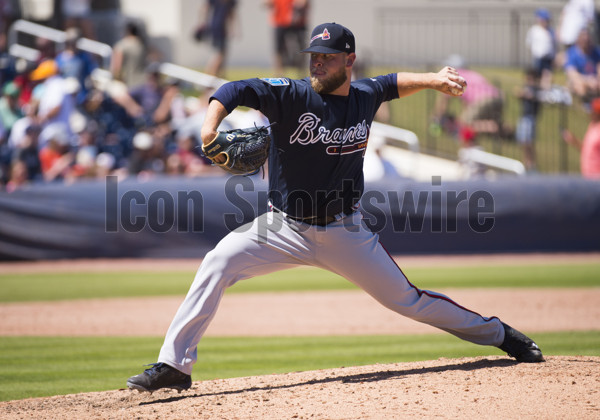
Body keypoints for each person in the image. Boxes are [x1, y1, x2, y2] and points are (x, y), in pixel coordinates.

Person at [127, 22, 544, 393]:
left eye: (327, 58)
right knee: (217, 261)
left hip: (345, 232)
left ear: (350, 60)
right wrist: (209, 125)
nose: (317, 64)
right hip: (283, 228)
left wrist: (435, 80)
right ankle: (174, 365)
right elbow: (235, 89)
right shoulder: (291, 95)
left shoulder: (364, 96)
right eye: (314, 57)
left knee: (409, 301)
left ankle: (500, 335)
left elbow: (395, 81)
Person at [433, 55, 506, 145]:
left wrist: (437, 117)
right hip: (498, 96)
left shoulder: (454, 76)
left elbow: (444, 101)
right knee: (484, 119)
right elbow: (466, 102)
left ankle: (492, 127)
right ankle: (502, 130)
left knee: (464, 124)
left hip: (483, 99)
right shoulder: (471, 73)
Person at [264, 0, 310, 76]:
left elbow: (303, 3)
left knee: (302, 48)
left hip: (298, 22)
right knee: (278, 49)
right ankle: (279, 73)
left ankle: (302, 72)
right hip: (280, 21)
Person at [195, 0, 238, 77]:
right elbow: (204, 9)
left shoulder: (231, 2)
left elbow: (231, 14)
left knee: (222, 54)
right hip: (215, 29)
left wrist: (232, 29)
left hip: (222, 30)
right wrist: (201, 24)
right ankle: (209, 75)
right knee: (219, 55)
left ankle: (217, 75)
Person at [562, 97, 600, 179]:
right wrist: (573, 140)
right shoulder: (592, 126)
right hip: (587, 177)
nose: (590, 113)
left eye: (593, 111)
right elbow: (586, 149)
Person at [515, 68, 542, 172]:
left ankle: (532, 165)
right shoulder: (527, 88)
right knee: (523, 142)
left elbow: (529, 95)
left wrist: (525, 94)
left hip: (530, 118)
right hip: (524, 117)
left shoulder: (536, 89)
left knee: (529, 142)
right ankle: (526, 164)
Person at [564, 27, 600, 103]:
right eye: (583, 40)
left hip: (594, 80)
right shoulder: (572, 52)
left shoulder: (596, 52)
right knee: (580, 86)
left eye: (587, 40)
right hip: (580, 80)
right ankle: (585, 107)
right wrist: (587, 81)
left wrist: (597, 80)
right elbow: (572, 73)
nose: (586, 42)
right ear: (579, 40)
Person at [525, 8, 556, 90]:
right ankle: (535, 89)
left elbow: (553, 44)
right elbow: (529, 42)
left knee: (547, 74)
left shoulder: (551, 31)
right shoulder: (534, 30)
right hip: (538, 57)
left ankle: (545, 90)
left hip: (548, 57)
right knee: (536, 74)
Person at [110, 22, 147, 89]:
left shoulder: (122, 45)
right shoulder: (141, 45)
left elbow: (117, 67)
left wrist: (116, 81)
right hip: (142, 82)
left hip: (128, 84)